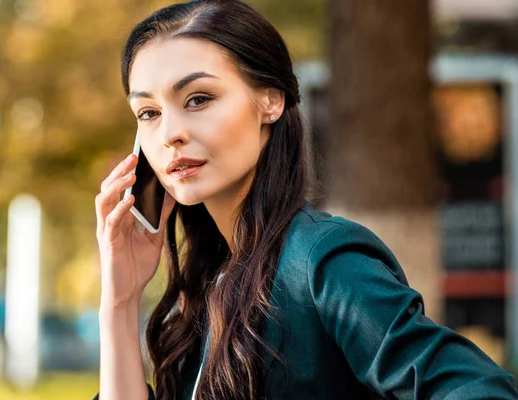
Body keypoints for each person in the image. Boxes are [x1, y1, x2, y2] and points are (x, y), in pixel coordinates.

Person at [92, 1, 518, 399]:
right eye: (148, 113)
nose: (169, 134)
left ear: (270, 101)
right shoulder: (209, 286)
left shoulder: (321, 260)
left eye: (198, 99)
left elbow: (473, 387)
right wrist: (120, 301)